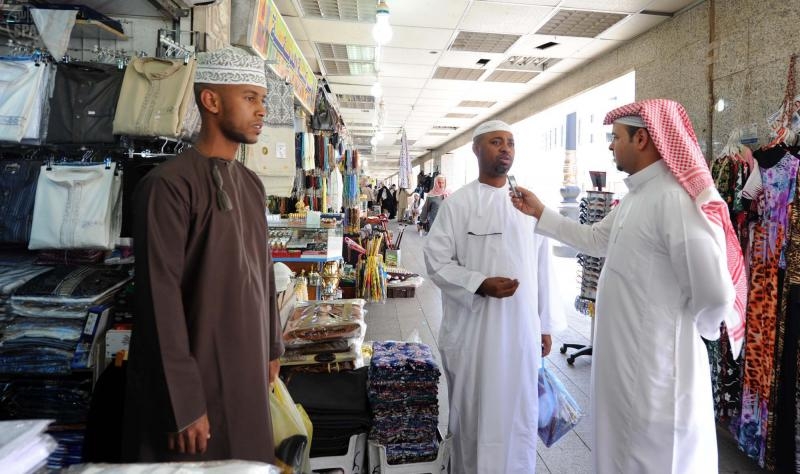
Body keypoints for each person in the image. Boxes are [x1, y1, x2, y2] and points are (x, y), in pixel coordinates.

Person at [510, 99, 747, 473]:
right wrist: (540, 212)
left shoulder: (673, 199)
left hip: (659, 373)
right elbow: (592, 239)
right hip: (626, 367)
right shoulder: (637, 197)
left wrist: (692, 332)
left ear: (642, 140)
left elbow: (716, 293)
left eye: (616, 137)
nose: (610, 145)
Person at [123, 47, 284, 463]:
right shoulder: (168, 186)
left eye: (262, 100)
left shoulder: (250, 184)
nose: (261, 110)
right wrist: (183, 402)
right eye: (250, 98)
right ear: (211, 101)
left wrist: (272, 348)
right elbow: (159, 300)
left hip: (246, 365)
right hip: (196, 378)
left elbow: (262, 274)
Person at [423, 120, 564, 473]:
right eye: (496, 142)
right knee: (474, 416)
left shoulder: (527, 205)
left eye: (511, 143)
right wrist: (479, 283)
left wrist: (544, 324)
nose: (505, 149)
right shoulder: (458, 204)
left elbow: (543, 266)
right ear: (476, 149)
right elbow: (436, 260)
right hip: (474, 335)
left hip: (520, 334)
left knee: (518, 417)